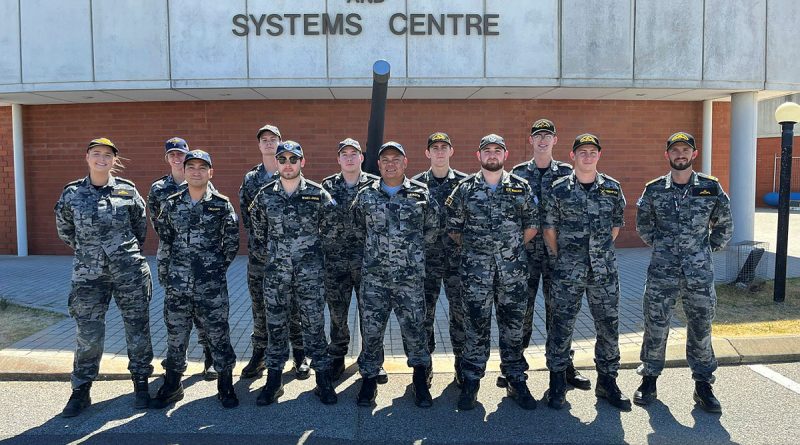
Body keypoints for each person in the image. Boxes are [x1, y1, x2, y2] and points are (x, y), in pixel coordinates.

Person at [634, 132, 733, 413]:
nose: (680, 155)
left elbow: (724, 225)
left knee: (701, 327)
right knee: (656, 325)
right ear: (667, 155)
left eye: (685, 150)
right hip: (662, 272)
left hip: (699, 274)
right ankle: (649, 378)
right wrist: (664, 247)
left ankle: (703, 385)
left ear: (694, 154)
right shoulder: (654, 189)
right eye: (675, 150)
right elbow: (643, 225)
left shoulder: (710, 188)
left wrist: (704, 251)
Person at [54, 137, 154, 417]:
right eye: (96, 154)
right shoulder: (71, 194)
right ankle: (81, 389)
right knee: (88, 333)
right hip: (89, 276)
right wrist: (90, 252)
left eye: (107, 155)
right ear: (87, 157)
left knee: (137, 329)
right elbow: (66, 231)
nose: (102, 159)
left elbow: (140, 227)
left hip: (129, 272)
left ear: (114, 160)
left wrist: (121, 253)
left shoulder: (128, 191)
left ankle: (141, 383)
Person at [446, 134, 538, 411]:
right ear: (479, 156)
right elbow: (453, 228)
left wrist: (507, 250)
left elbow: (531, 226)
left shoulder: (521, 188)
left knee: (513, 329)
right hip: (476, 275)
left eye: (498, 150)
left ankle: (515, 380)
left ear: (505, 155)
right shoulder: (464, 189)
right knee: (475, 329)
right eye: (487, 151)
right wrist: (480, 253)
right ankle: (472, 381)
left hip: (513, 274)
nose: (492, 155)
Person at [542, 133, 630, 411]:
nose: (587, 156)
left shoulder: (612, 188)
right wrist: (564, 257)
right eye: (582, 152)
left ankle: (607, 381)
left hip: (603, 273)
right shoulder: (558, 189)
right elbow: (549, 230)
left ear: (599, 156)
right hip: (568, 270)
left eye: (592, 152)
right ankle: (557, 381)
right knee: (561, 326)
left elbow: (615, 228)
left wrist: (597, 253)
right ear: (573, 156)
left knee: (608, 327)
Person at [249, 141, 338, 406]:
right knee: (276, 328)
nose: (288, 164)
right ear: (276, 163)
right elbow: (257, 234)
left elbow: (332, 232)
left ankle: (323, 381)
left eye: (293, 159)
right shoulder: (264, 196)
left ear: (302, 162)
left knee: (314, 327)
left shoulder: (318, 194)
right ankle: (274, 381)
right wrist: (274, 260)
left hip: (310, 276)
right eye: (283, 159)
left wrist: (315, 259)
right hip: (277, 276)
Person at [150, 150, 240, 409]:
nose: (197, 171)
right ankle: (173, 384)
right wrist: (166, 275)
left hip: (211, 287)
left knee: (218, 334)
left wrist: (214, 268)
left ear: (210, 172)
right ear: (185, 171)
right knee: (176, 335)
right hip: (178, 284)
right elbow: (165, 240)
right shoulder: (172, 203)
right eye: (192, 167)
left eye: (203, 167)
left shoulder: (222, 204)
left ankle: (225, 383)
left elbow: (231, 242)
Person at [351, 141, 437, 408]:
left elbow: (432, 231)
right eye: (385, 159)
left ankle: (420, 378)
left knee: (415, 330)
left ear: (405, 163)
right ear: (378, 165)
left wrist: (410, 257)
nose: (390, 164)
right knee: (372, 330)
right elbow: (357, 230)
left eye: (396, 159)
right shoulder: (365, 196)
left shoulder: (421, 194)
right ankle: (369, 377)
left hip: (409, 280)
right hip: (374, 279)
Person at [511, 119, 590, 391]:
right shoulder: (518, 175)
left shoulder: (569, 173)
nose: (542, 140)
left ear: (556, 140)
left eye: (548, 135)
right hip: (527, 258)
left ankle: (564, 366)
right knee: (523, 312)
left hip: (561, 257)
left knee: (560, 314)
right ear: (531, 140)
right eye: (538, 136)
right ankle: (515, 367)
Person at [239, 124, 308, 380]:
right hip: (260, 258)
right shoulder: (251, 179)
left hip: (291, 259)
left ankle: (299, 355)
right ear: (259, 145)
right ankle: (260, 353)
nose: (268, 143)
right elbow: (248, 215)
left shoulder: (292, 173)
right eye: (264, 140)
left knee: (294, 307)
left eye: (273, 139)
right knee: (259, 307)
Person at [147, 137, 216, 381]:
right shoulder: (159, 189)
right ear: (167, 158)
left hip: (201, 264)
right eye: (172, 154)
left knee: (204, 313)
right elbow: (157, 223)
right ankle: (178, 357)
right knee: (176, 312)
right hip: (172, 260)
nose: (176, 158)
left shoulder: (206, 184)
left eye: (180, 154)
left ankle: (210, 357)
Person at [320, 138, 382, 382]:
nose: (349, 157)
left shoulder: (374, 185)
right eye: (344, 154)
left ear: (361, 158)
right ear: (338, 159)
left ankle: (372, 358)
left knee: (371, 314)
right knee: (337, 313)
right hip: (335, 263)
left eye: (353, 153)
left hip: (368, 262)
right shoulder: (326, 186)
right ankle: (337, 356)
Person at [411, 132, 468, 387]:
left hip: (458, 263)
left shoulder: (465, 184)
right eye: (435, 148)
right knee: (424, 315)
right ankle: (424, 366)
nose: (440, 152)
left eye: (444, 147)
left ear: (451, 151)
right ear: (428, 153)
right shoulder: (414, 186)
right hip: (427, 262)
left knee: (461, 314)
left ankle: (462, 365)